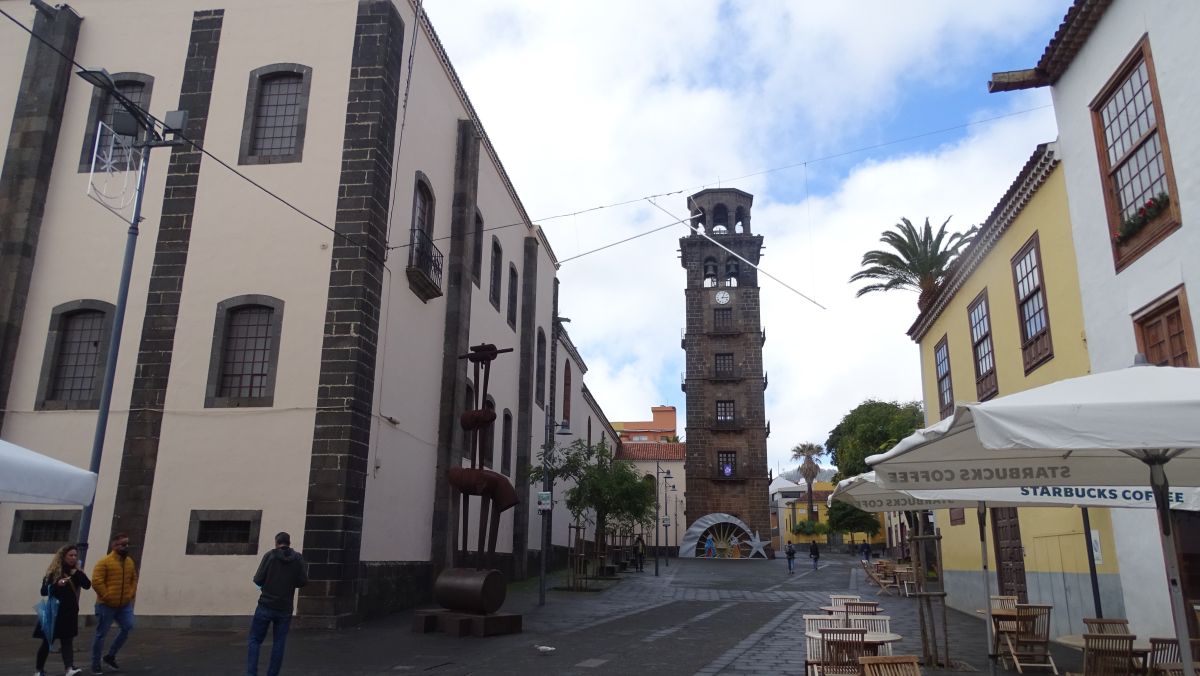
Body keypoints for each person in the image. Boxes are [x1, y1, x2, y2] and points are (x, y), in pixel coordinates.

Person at [248, 532, 308, 676]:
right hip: (285, 607)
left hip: (265, 604)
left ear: (277, 542)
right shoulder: (298, 559)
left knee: (255, 640)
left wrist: (264, 585)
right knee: (279, 643)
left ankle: (251, 673)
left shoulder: (270, 556)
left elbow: (258, 579)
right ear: (289, 542)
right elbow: (303, 582)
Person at [34, 544, 90, 676]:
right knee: (47, 642)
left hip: (69, 612)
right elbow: (43, 591)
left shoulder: (75, 572)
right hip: (54, 612)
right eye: (70, 555)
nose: (73, 558)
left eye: (75, 555)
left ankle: (69, 668)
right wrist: (57, 584)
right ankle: (38, 670)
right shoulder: (54, 572)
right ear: (63, 556)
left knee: (67, 640)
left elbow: (87, 585)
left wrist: (78, 572)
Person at [91, 533, 137, 674]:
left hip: (124, 604)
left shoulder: (129, 561)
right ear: (114, 545)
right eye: (123, 544)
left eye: (127, 544)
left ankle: (110, 655)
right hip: (106, 604)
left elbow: (133, 578)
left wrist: (130, 594)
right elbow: (97, 581)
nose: (126, 547)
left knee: (128, 626)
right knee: (101, 634)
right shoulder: (104, 562)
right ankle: (95, 663)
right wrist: (107, 596)